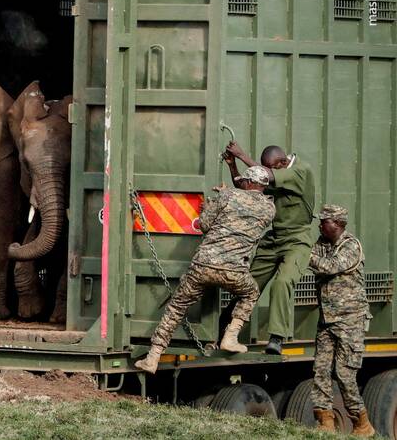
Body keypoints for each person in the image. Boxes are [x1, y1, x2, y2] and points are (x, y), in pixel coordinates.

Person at [134, 166, 276, 374]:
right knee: (251, 292)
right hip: (234, 271)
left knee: (176, 308)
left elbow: (204, 225)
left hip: (203, 265)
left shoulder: (227, 195)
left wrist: (211, 204)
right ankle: (230, 337)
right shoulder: (270, 209)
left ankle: (152, 357)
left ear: (247, 182)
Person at [223, 142, 316, 355]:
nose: (266, 171)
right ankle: (226, 327)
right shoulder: (277, 172)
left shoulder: (301, 170)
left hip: (297, 240)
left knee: (282, 283)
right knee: (248, 285)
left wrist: (242, 155)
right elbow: (248, 187)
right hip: (274, 239)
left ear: (282, 163)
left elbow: (264, 175)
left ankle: (276, 338)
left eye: (270, 168)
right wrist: (232, 165)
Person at [309, 204, 374, 436]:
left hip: (349, 321)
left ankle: (362, 424)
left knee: (345, 374)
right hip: (327, 320)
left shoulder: (351, 246)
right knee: (321, 371)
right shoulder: (322, 244)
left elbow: (331, 266)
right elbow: (315, 258)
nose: (320, 225)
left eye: (324, 221)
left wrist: (304, 255)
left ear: (337, 224)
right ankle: (325, 422)